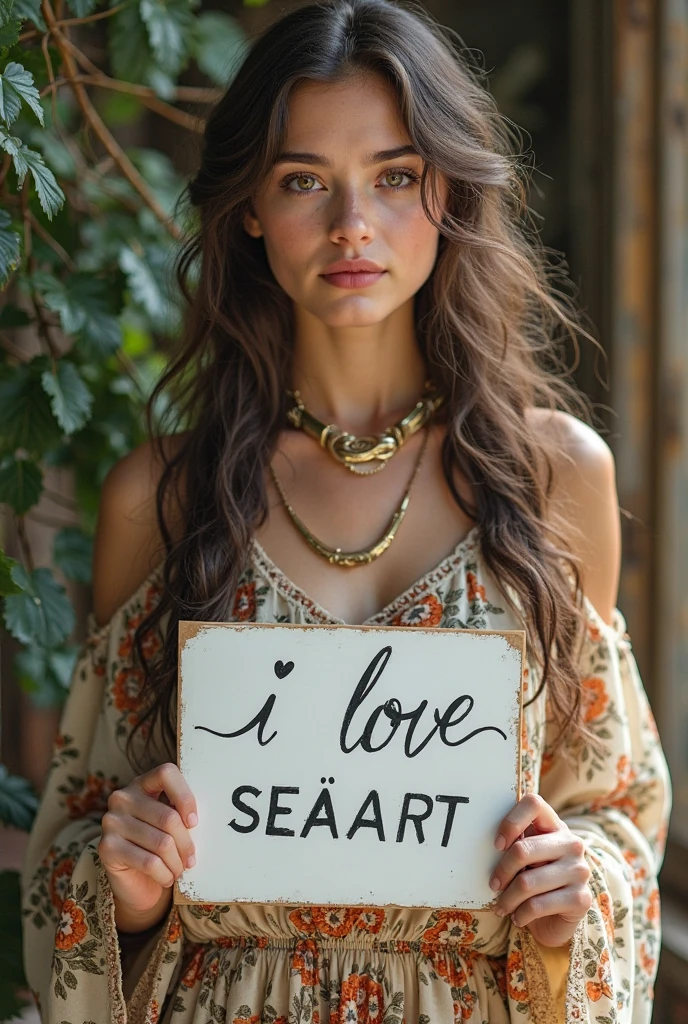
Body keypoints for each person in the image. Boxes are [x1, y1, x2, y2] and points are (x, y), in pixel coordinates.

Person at [21, 1, 671, 1022]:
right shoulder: (162, 496)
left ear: (448, 190)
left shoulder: (554, 478)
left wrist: (570, 888)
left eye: (395, 176)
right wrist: (128, 892)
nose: (351, 224)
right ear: (248, 206)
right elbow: (78, 823)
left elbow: (615, 809)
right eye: (303, 180)